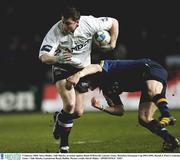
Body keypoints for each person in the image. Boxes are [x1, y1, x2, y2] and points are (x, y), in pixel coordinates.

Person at [39, 5, 119, 153]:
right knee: (69, 105)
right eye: (63, 21)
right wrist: (58, 58)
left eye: (68, 23)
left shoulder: (90, 23)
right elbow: (43, 57)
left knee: (77, 112)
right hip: (62, 67)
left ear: (77, 22)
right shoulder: (55, 31)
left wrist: (112, 44)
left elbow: (114, 22)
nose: (64, 25)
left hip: (81, 69)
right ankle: (64, 146)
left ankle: (59, 116)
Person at [66, 58, 180, 152]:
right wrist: (101, 107)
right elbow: (119, 110)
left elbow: (95, 67)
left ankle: (167, 115)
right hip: (145, 84)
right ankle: (170, 140)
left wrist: (79, 74)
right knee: (144, 118)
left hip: (151, 68)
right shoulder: (107, 90)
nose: (89, 86)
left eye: (88, 83)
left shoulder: (105, 66)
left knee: (152, 90)